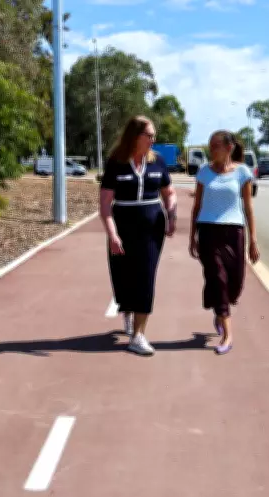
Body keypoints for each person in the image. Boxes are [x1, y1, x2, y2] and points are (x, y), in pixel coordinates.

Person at [99, 116, 178, 356]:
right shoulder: (116, 163)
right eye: (150, 135)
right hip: (123, 225)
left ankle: (138, 335)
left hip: (152, 227)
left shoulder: (158, 162)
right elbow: (105, 204)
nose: (153, 139)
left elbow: (169, 192)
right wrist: (112, 234)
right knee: (123, 277)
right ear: (135, 136)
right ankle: (128, 311)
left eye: (154, 135)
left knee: (145, 276)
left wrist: (172, 214)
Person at [189, 130, 260, 354]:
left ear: (229, 148)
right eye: (210, 146)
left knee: (235, 284)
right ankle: (227, 333)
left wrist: (253, 240)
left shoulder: (242, 172)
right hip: (208, 231)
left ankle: (220, 311)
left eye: (215, 146)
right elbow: (197, 205)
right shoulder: (203, 173)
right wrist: (192, 235)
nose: (211, 150)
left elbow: (248, 207)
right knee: (217, 278)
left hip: (234, 232)